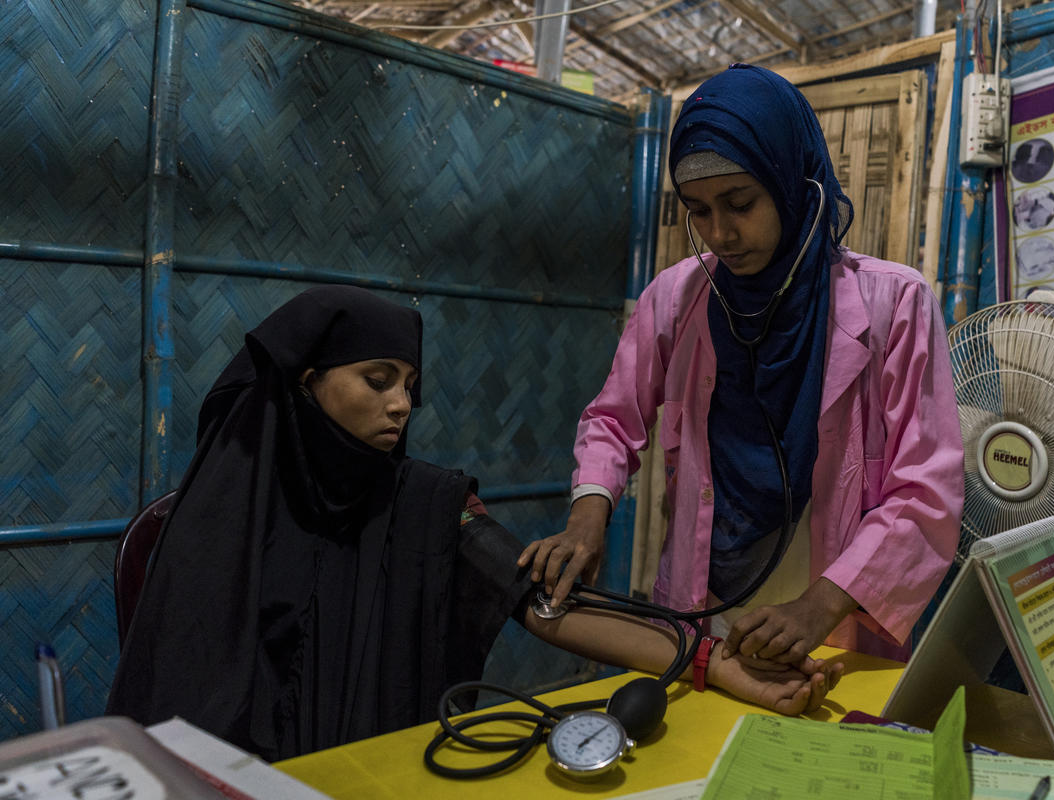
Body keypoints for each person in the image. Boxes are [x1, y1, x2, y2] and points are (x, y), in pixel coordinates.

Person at [106, 284, 840, 762]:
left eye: (411, 386)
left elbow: (543, 603)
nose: (402, 405)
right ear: (308, 382)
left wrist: (715, 663)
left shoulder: (430, 503)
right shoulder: (222, 518)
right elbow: (180, 693)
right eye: (378, 380)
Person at [519, 64, 964, 666]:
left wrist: (818, 607)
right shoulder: (677, 299)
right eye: (698, 211)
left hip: (835, 616)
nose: (721, 233)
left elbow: (926, 489)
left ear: (792, 182)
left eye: (740, 202)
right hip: (703, 605)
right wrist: (587, 513)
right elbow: (611, 420)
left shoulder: (896, 305)